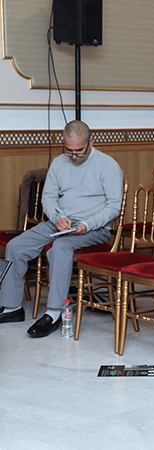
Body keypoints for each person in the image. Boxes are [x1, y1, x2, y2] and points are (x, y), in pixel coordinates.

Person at [0, 120, 123, 337]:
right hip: (60, 223)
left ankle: (54, 313)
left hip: (93, 228)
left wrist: (87, 224)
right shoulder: (58, 163)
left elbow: (114, 206)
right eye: (69, 150)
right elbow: (48, 198)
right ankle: (12, 307)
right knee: (16, 246)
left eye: (79, 151)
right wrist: (58, 217)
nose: (74, 156)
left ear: (91, 142)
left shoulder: (108, 165)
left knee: (60, 247)